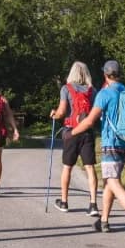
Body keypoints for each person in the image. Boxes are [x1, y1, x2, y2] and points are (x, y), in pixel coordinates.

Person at [70, 60, 125, 242]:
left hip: (111, 142)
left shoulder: (105, 94)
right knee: (110, 181)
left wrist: (72, 133)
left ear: (105, 75)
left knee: (113, 181)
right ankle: (104, 221)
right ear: (119, 74)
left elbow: (91, 120)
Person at [50, 62, 99, 215]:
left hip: (71, 132)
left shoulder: (66, 89)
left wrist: (54, 114)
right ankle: (93, 205)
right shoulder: (93, 91)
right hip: (87, 132)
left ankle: (64, 202)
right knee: (90, 167)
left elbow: (62, 111)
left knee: (67, 167)